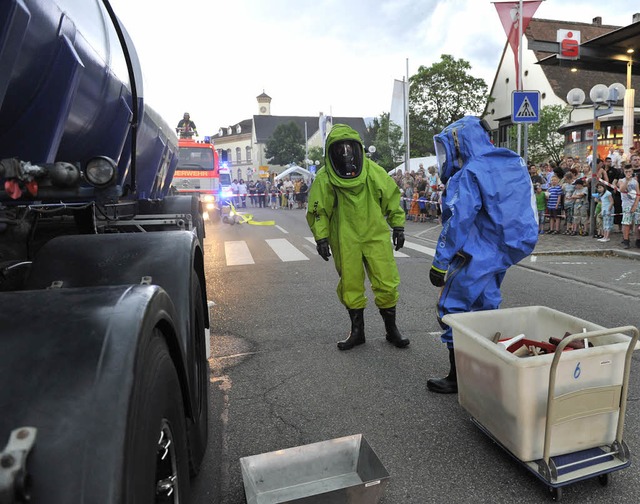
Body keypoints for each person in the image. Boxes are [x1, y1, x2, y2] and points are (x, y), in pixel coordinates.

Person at [428, 116, 537, 394]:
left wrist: (440, 261)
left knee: (453, 309)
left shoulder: (470, 172)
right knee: (487, 308)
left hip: (473, 252)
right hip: (503, 250)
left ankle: (458, 377)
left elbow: (458, 220)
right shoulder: (510, 162)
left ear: (459, 142)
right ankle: (487, 372)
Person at [306, 123, 409, 351]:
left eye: (349, 148)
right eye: (339, 149)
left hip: (375, 235)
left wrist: (398, 225)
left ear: (357, 149)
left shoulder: (373, 171)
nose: (345, 153)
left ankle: (391, 330)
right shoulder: (326, 178)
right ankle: (357, 332)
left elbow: (391, 197)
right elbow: (318, 210)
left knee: (386, 281)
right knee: (351, 284)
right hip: (345, 237)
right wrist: (321, 238)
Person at [619, 165, 640, 249]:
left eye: (629, 171)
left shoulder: (635, 182)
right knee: (626, 223)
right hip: (626, 204)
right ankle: (626, 240)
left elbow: (638, 194)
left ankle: (638, 239)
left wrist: (635, 205)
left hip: (635, 203)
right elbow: (621, 189)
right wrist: (627, 181)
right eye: (626, 172)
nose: (628, 173)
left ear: (632, 172)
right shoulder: (621, 180)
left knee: (637, 222)